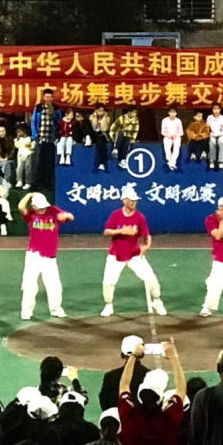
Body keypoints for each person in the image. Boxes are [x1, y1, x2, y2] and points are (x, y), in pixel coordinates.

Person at [100, 187, 165, 317]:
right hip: (116, 255)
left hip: (134, 254)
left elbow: (147, 236)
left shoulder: (139, 217)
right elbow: (106, 232)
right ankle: (108, 305)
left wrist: (147, 246)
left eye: (135, 200)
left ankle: (157, 301)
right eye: (131, 200)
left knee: (151, 278)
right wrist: (121, 231)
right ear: (124, 200)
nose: (134, 202)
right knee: (108, 282)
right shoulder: (116, 215)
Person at [18, 192, 73, 320]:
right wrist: (30, 195)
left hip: (50, 257)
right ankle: (26, 312)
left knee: (54, 285)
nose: (42, 210)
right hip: (33, 256)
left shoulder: (53, 210)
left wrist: (66, 216)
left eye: (44, 207)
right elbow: (21, 207)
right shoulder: (31, 215)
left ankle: (56, 309)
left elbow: (70, 216)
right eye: (39, 207)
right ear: (34, 207)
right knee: (30, 286)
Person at [109, 106, 139, 171]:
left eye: (136, 113)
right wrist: (113, 137)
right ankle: (115, 149)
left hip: (127, 138)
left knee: (127, 139)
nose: (135, 114)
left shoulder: (136, 120)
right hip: (118, 137)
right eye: (134, 112)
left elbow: (135, 131)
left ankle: (123, 160)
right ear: (129, 112)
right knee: (120, 131)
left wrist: (133, 139)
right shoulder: (121, 118)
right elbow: (112, 128)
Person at [206, 104, 223, 170]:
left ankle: (221, 161)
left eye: (217, 109)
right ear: (212, 110)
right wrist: (208, 135)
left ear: (220, 110)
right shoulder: (209, 117)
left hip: (221, 135)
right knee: (212, 142)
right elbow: (207, 128)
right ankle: (212, 160)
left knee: (221, 142)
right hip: (212, 135)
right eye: (214, 109)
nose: (216, 111)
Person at [89, 103, 111, 171]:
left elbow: (105, 128)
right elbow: (93, 127)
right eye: (99, 110)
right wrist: (95, 117)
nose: (101, 112)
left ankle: (101, 163)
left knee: (101, 144)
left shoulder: (107, 118)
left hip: (102, 134)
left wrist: (103, 119)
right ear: (96, 110)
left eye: (102, 110)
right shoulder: (92, 117)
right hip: (93, 134)